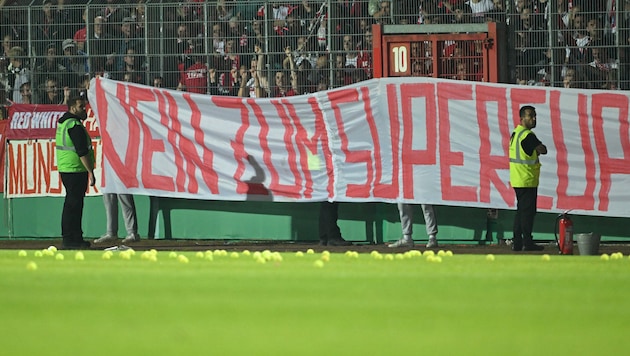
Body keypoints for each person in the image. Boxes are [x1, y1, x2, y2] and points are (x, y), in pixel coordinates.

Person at [55, 96, 94, 249]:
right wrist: (91, 171)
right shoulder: (74, 125)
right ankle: (71, 238)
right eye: (80, 107)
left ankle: (74, 237)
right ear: (72, 108)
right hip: (75, 169)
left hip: (67, 168)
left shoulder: (64, 122)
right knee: (74, 205)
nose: (84, 109)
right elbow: (81, 151)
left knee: (73, 204)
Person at [509, 105, 547, 251]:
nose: (533, 118)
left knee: (520, 212)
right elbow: (543, 150)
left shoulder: (515, 133)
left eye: (534, 115)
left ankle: (517, 242)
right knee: (527, 214)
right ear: (522, 118)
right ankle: (527, 243)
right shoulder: (528, 135)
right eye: (530, 116)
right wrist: (539, 149)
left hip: (518, 178)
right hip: (527, 179)